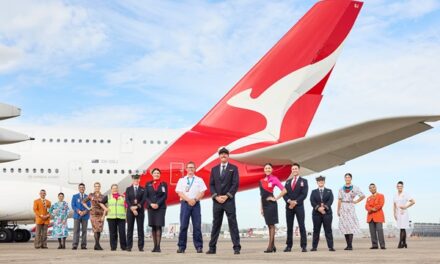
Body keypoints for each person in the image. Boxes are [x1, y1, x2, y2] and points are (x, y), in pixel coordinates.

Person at [207, 147, 241, 255]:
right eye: (221, 154)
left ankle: (236, 247)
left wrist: (227, 196)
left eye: (225, 154)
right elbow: (211, 185)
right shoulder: (214, 169)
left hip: (229, 201)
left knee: (233, 224)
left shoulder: (233, 168)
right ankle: (212, 248)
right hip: (217, 201)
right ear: (219, 156)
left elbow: (235, 184)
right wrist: (216, 196)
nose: (223, 155)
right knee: (216, 224)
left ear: (228, 156)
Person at [175, 162, 207, 253]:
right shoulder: (182, 180)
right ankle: (181, 247)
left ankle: (199, 246)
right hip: (185, 204)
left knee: (197, 226)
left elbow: (202, 192)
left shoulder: (199, 180)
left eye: (192, 167)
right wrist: (189, 200)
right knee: (183, 226)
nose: (190, 169)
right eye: (189, 167)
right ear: (186, 169)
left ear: (195, 169)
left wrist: (195, 199)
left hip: (196, 204)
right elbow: (179, 193)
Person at [259, 163, 287, 253]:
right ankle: (273, 245)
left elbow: (284, 190)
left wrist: (275, 198)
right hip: (264, 205)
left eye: (269, 168)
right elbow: (261, 196)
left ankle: (270, 247)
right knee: (269, 225)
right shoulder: (261, 181)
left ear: (272, 170)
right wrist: (261, 208)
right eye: (266, 168)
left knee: (271, 225)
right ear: (264, 170)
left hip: (271, 204)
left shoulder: (274, 179)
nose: (267, 169)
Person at [282, 162, 308, 252]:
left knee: (302, 226)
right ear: (291, 170)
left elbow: (304, 194)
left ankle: (303, 246)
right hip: (289, 207)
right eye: (293, 169)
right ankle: (289, 246)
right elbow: (284, 194)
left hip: (299, 206)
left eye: (296, 169)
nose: (294, 170)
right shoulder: (288, 182)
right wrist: (289, 201)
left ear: (299, 170)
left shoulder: (304, 181)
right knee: (289, 227)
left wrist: (295, 202)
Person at [337, 173, 365, 250]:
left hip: (350, 206)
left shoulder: (355, 187)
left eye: (348, 177)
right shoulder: (341, 188)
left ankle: (350, 245)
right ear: (344, 179)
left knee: (350, 226)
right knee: (344, 226)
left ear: (351, 178)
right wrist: (338, 210)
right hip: (343, 206)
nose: (347, 179)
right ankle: (348, 245)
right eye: (346, 177)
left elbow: (362, 195)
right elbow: (339, 200)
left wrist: (356, 201)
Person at [144, 168, 168, 253]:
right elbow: (146, 196)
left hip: (160, 207)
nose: (156, 174)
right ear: (152, 174)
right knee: (153, 226)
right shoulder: (148, 184)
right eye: (155, 173)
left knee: (159, 226)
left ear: (160, 174)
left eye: (158, 173)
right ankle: (154, 247)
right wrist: (150, 204)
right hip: (151, 208)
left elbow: (164, 196)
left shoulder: (163, 184)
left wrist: (157, 203)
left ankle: (158, 247)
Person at [310, 176, 335, 252]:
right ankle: (314, 247)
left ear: (324, 182)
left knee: (328, 230)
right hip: (316, 214)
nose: (321, 182)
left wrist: (324, 207)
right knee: (316, 230)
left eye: (322, 181)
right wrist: (319, 208)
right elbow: (312, 201)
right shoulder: (313, 192)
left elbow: (331, 200)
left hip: (327, 213)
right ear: (317, 182)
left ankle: (331, 247)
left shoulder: (329, 191)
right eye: (319, 181)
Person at [100, 184, 127, 251]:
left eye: (116, 188)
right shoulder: (108, 197)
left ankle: (124, 247)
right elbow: (101, 203)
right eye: (113, 188)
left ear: (118, 189)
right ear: (111, 189)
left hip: (121, 217)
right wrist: (105, 209)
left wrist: (126, 216)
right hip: (111, 217)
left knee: (122, 232)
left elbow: (126, 206)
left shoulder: (122, 197)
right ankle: (113, 247)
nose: (115, 189)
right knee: (113, 233)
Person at [125, 174, 146, 252]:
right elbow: (127, 199)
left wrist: (136, 207)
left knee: (140, 229)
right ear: (132, 180)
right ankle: (129, 246)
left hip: (140, 211)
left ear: (139, 180)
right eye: (134, 179)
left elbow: (143, 200)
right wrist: (132, 208)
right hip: (130, 211)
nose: (136, 181)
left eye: (137, 179)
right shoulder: (128, 189)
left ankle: (141, 247)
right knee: (129, 229)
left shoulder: (143, 189)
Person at [82, 182, 105, 250]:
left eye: (98, 186)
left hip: (100, 214)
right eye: (96, 186)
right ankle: (97, 245)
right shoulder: (91, 195)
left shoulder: (103, 196)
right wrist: (88, 208)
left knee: (99, 229)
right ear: (94, 187)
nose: (97, 187)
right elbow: (83, 202)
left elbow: (105, 207)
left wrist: (104, 215)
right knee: (95, 229)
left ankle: (96, 245)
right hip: (93, 214)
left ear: (100, 187)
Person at [393, 181, 415, 249]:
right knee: (401, 228)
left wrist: (406, 207)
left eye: (401, 186)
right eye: (398, 186)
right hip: (398, 213)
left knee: (403, 228)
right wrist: (394, 213)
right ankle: (404, 243)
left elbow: (413, 201)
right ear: (396, 187)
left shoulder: (405, 194)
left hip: (403, 212)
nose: (399, 187)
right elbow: (394, 205)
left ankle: (400, 243)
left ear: (402, 187)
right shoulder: (395, 195)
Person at [365, 183, 386, 250]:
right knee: (372, 231)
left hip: (378, 216)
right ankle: (374, 245)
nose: (372, 189)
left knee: (379, 230)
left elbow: (381, 204)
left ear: (376, 188)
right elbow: (366, 206)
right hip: (370, 216)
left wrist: (374, 208)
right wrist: (371, 209)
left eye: (373, 187)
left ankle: (382, 245)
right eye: (370, 188)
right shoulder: (368, 198)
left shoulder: (381, 196)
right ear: (369, 189)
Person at [71, 183, 90, 250]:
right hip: (77, 215)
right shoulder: (75, 196)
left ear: (84, 188)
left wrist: (85, 212)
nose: (82, 188)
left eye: (83, 187)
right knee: (76, 230)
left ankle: (83, 245)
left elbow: (89, 206)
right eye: (80, 187)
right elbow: (73, 205)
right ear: (79, 188)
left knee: (84, 231)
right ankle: (75, 245)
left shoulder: (88, 197)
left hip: (85, 216)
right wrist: (79, 211)